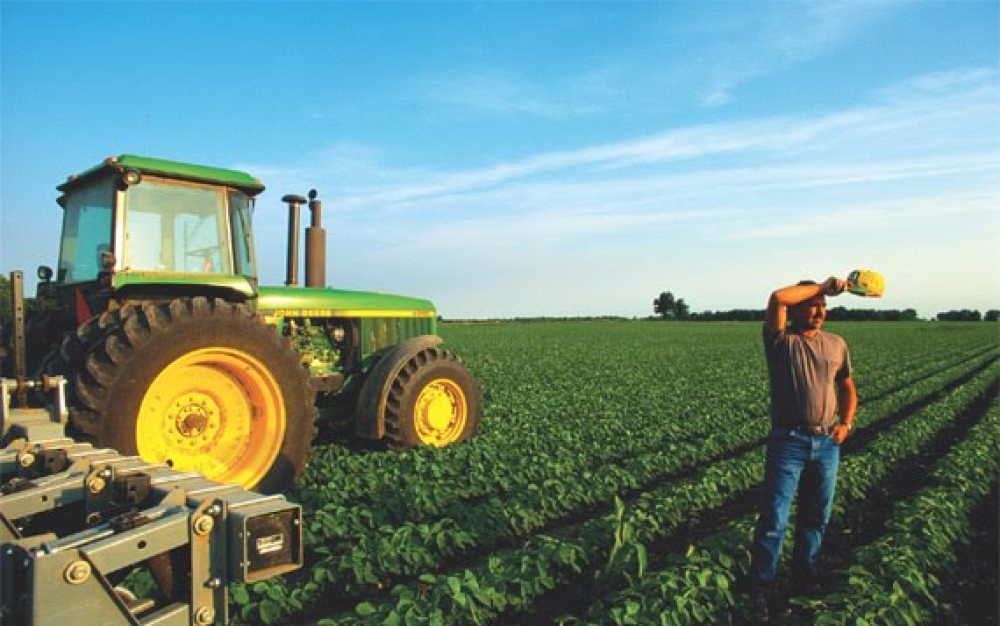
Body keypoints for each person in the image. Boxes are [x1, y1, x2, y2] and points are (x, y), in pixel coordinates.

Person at [748, 277, 858, 620]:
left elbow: (848, 388)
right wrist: (823, 286)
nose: (819, 311)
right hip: (789, 441)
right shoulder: (781, 341)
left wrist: (846, 423)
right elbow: (777, 297)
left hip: (827, 443)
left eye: (823, 307)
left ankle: (804, 580)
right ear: (796, 310)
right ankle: (760, 590)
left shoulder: (836, 344)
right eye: (812, 305)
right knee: (774, 519)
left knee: (815, 517)